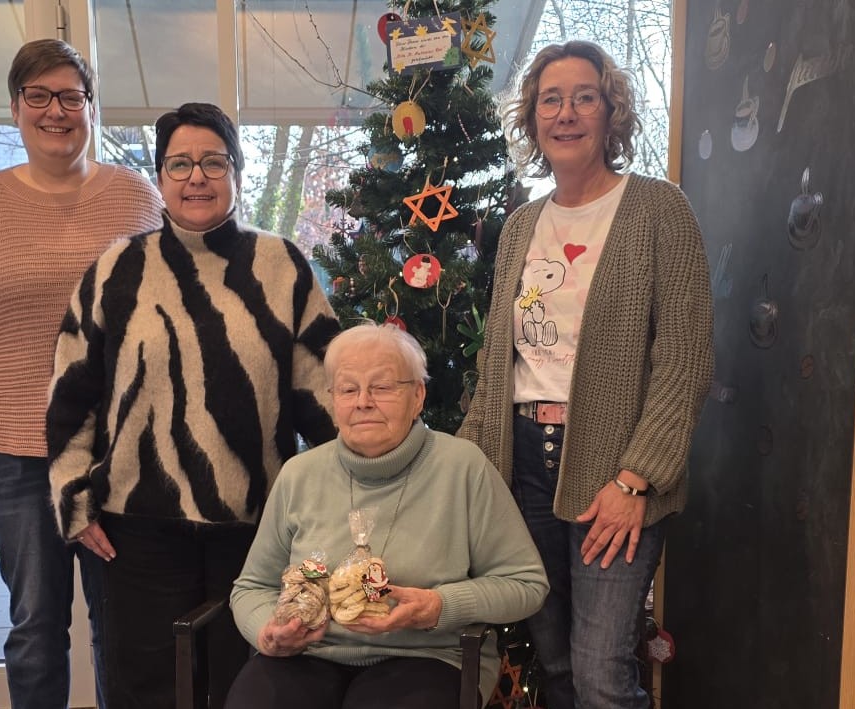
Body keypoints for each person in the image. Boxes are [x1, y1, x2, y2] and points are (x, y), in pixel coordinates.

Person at [46, 101, 340, 709]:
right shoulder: (117, 269)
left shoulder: (282, 266)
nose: (196, 177)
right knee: (146, 689)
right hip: (137, 527)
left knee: (249, 687)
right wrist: (74, 497)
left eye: (213, 162)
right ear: (160, 176)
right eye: (179, 164)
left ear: (236, 172)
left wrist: (346, 496)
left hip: (256, 528)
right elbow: (72, 391)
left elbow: (324, 391)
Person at [456, 40, 714, 709]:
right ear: (532, 118)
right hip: (522, 467)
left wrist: (637, 478)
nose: (565, 113)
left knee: (602, 674)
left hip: (614, 471)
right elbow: (497, 362)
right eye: (550, 100)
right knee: (557, 665)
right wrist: (470, 465)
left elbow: (684, 359)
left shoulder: (659, 209)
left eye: (584, 97)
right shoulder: (522, 226)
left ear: (611, 111)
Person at [0, 38, 163, 708]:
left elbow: (171, 317)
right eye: (39, 96)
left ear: (91, 107)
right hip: (15, 454)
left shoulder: (136, 198)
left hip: (117, 453)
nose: (56, 111)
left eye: (71, 97)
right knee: (36, 628)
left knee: (126, 628)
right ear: (16, 108)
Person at [228, 322, 549, 709]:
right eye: (348, 389)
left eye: (381, 387)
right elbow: (251, 587)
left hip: (428, 656)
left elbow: (526, 584)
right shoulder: (300, 475)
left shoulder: (462, 468)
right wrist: (267, 632)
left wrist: (439, 606)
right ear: (332, 401)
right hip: (311, 653)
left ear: (418, 396)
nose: (363, 402)